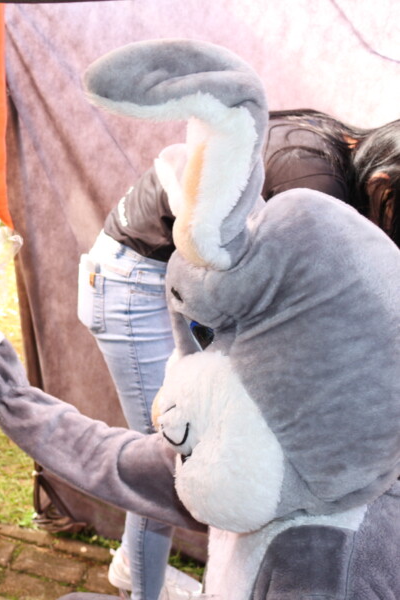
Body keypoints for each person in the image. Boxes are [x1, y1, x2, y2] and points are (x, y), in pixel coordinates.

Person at [76, 109, 400, 600]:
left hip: (199, 289)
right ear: (382, 187)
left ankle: (137, 565)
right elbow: (266, 322)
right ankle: (139, 585)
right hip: (137, 277)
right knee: (179, 448)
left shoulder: (342, 182)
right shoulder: (308, 190)